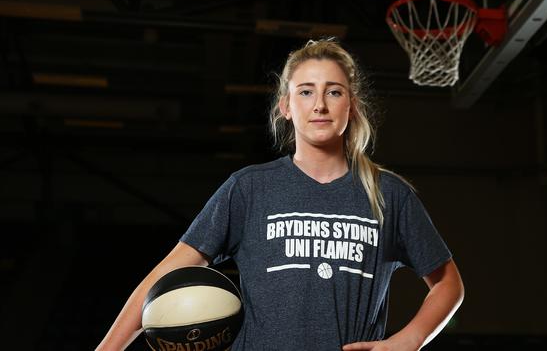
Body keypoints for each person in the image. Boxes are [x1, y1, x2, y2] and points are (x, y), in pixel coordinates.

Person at [97, 38, 464, 351]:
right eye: (306, 92)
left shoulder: (388, 194)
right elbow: (166, 273)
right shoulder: (249, 188)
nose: (319, 104)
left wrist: (411, 339)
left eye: (333, 92)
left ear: (350, 107)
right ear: (286, 107)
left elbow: (449, 284)